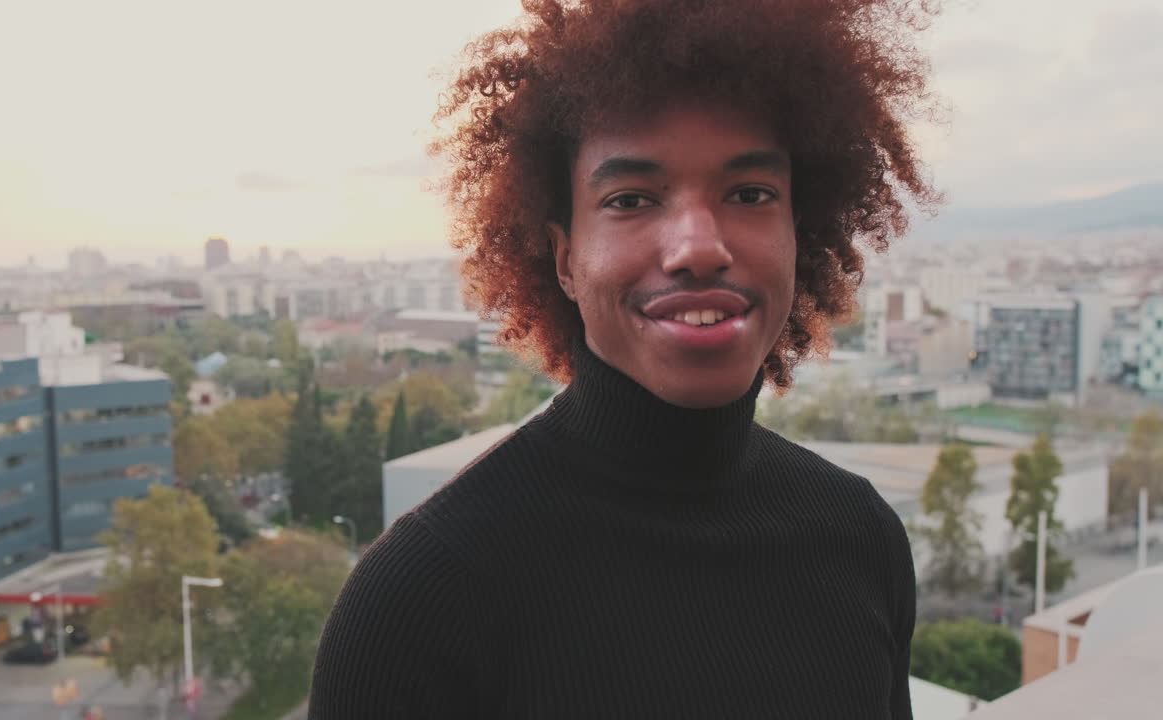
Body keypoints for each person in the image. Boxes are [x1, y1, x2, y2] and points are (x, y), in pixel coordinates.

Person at [310, 0, 940, 717]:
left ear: (800, 234)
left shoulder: (860, 538)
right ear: (565, 260)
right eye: (632, 198)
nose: (700, 246)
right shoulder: (422, 598)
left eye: (751, 193)